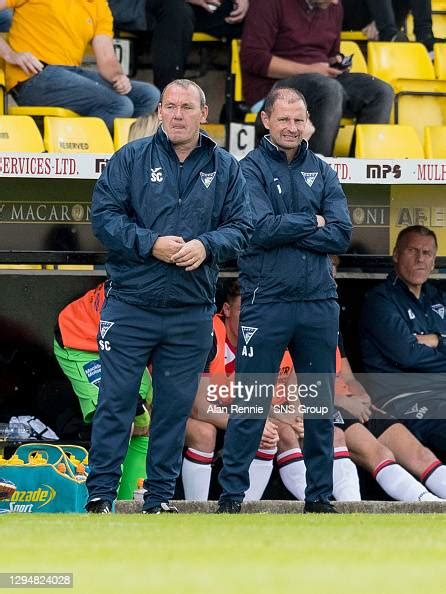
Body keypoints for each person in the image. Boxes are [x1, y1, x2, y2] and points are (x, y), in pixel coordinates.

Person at [86, 79, 252, 514]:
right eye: (170, 107)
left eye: (186, 108)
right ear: (159, 111)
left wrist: (207, 245)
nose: (177, 115)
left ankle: (158, 499)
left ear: (203, 114)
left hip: (189, 311)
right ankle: (100, 495)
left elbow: (243, 227)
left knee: (174, 411)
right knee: (116, 402)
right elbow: (103, 219)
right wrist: (150, 243)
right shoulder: (131, 158)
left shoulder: (226, 167)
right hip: (131, 304)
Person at [217, 86, 352, 514]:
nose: (293, 127)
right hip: (266, 300)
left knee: (318, 406)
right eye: (285, 119)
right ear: (267, 121)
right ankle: (231, 497)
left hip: (318, 301)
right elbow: (256, 229)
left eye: (300, 120)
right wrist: (311, 221)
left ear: (307, 122)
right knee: (251, 401)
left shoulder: (323, 170)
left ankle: (320, 498)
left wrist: (290, 227)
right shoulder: (248, 169)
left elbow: (341, 233)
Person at [240, 0, 394, 156]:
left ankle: (362, 170)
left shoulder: (333, 6)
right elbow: (252, 58)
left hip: (321, 81)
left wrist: (335, 61)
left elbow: (329, 53)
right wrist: (311, 69)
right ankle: (315, 171)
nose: (335, 1)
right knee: (328, 89)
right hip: (273, 87)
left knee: (381, 91)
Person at [0, 0, 160, 131]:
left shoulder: (99, 5)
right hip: (33, 76)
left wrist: (117, 75)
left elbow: (106, 58)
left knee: (148, 95)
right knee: (118, 105)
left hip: (68, 74)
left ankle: (129, 155)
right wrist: (10, 54)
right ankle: (85, 156)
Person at [361, 225, 446, 456]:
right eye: (412, 250)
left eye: (427, 253)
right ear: (396, 255)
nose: (420, 259)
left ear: (433, 260)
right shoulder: (379, 300)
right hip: (404, 401)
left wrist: (437, 340)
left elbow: (415, 350)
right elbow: (407, 354)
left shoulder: (438, 298)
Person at [109, 0, 248, 91]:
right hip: (134, 6)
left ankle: (252, 108)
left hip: (189, 9)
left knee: (248, 15)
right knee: (176, 12)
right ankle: (168, 101)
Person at [342, 0, 441, 52]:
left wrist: (380, 18)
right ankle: (388, 32)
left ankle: (425, 37)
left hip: (384, 15)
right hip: (349, 12)